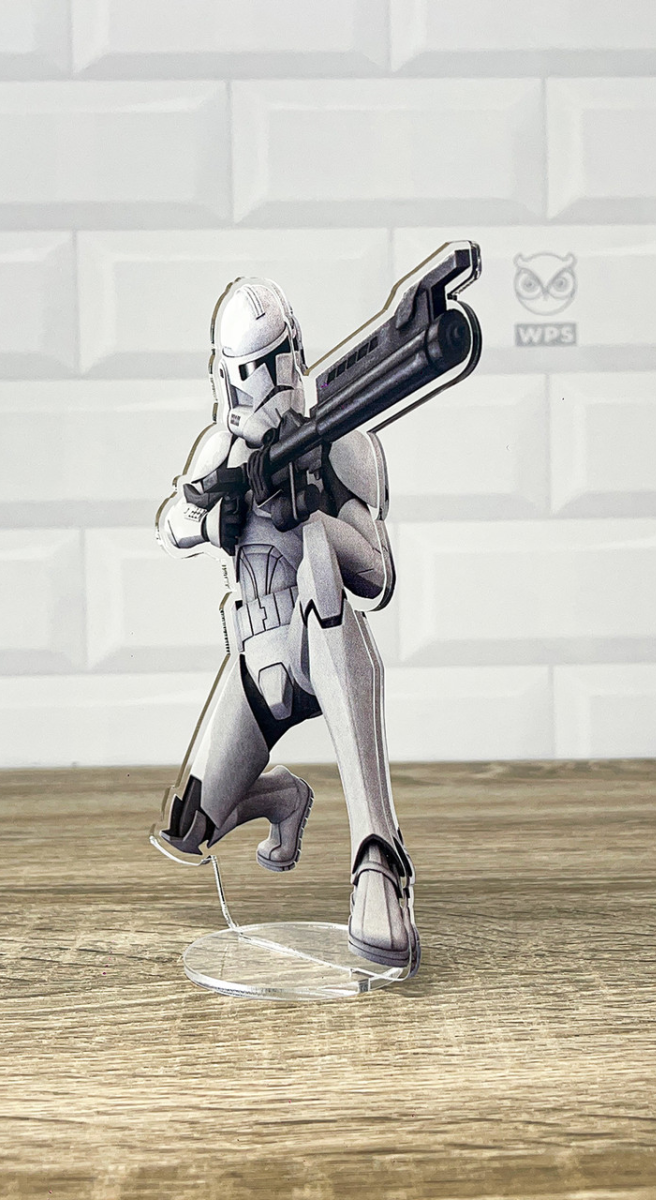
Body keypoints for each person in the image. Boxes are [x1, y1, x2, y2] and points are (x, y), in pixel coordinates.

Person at [153, 277, 419, 972]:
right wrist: (215, 517)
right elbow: (173, 523)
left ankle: (377, 859)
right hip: (253, 661)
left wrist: (314, 518)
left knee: (323, 559)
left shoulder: (339, 441)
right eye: (249, 371)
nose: (265, 384)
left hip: (316, 642)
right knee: (187, 828)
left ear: (294, 354)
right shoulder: (220, 448)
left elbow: (377, 573)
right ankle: (283, 797)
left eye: (273, 364)